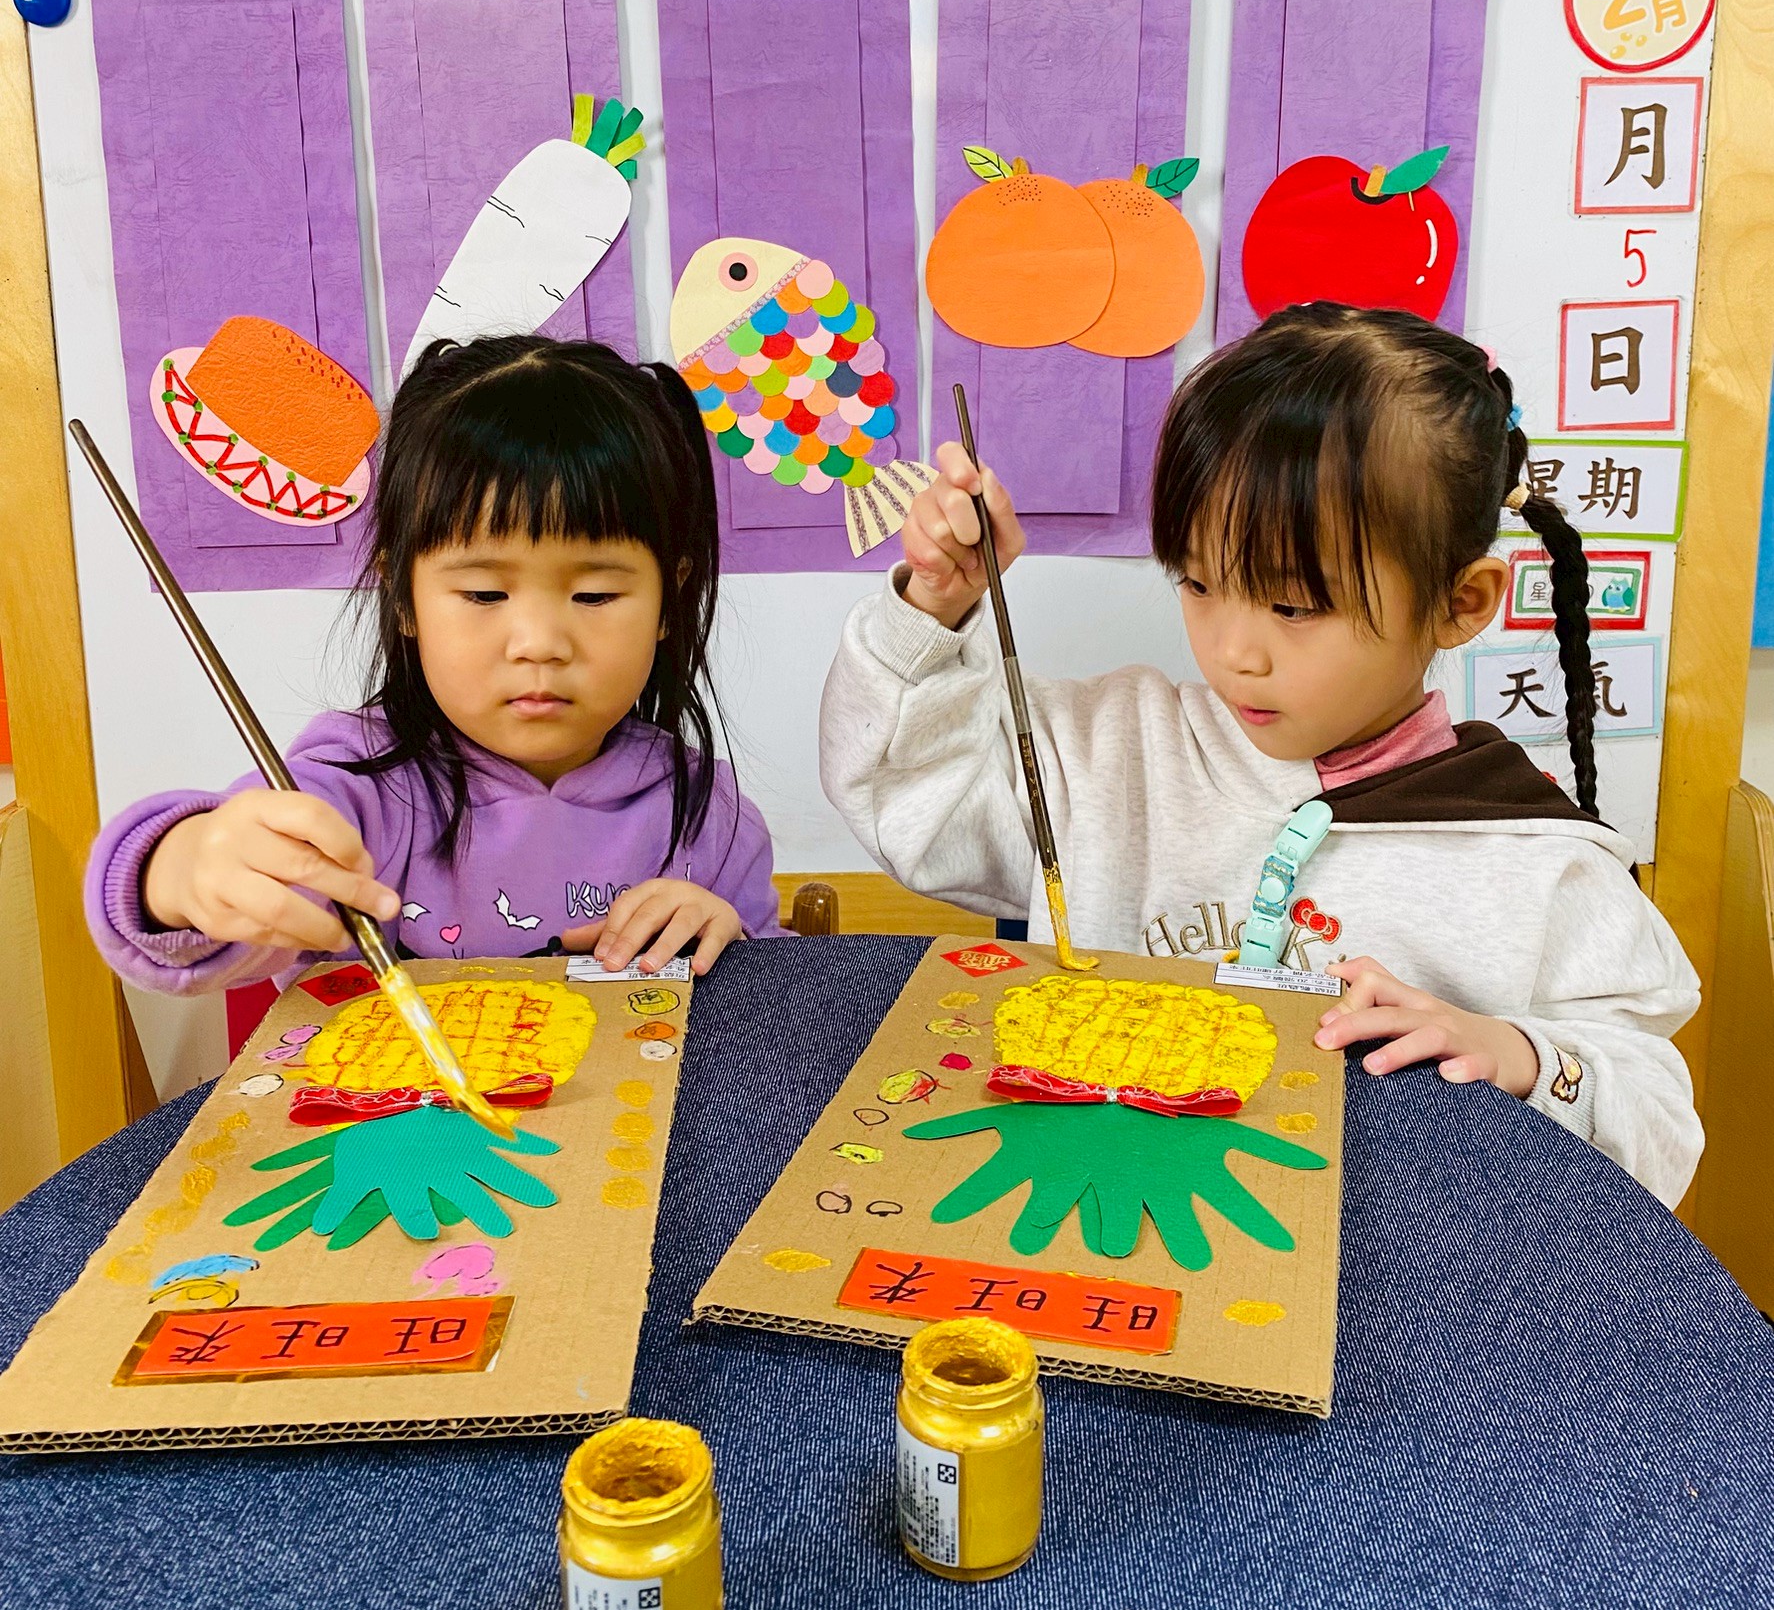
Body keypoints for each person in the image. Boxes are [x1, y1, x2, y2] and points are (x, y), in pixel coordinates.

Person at [821, 304, 1701, 1206]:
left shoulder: (1538, 861)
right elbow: (908, 806)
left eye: (1292, 606)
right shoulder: (1110, 753)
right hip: (1092, 1225)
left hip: (1381, 1265)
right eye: (1199, 583)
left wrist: (1520, 1054)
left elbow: (1659, 1125)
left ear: (1460, 603)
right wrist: (933, 611)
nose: (1235, 651)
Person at [88, 336, 779, 995]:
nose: (539, 643)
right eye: (484, 593)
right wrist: (182, 867)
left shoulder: (710, 818)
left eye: (595, 594)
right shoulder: (357, 789)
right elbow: (204, 895)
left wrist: (734, 950)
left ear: (668, 601)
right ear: (403, 597)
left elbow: (781, 1034)